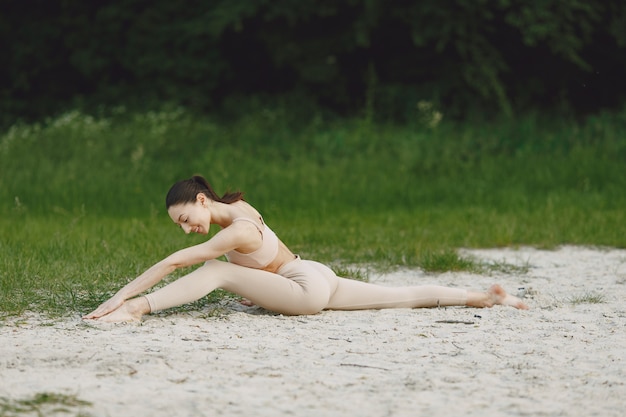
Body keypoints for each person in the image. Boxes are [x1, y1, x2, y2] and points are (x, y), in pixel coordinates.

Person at [84, 175, 528, 323]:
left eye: (186, 219)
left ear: (202, 200)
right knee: (402, 295)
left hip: (306, 287)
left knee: (215, 272)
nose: (186, 230)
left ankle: (139, 310)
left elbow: (179, 262)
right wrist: (261, 287)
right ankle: (488, 298)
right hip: (315, 275)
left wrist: (122, 298)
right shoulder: (237, 207)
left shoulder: (234, 228)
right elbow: (270, 262)